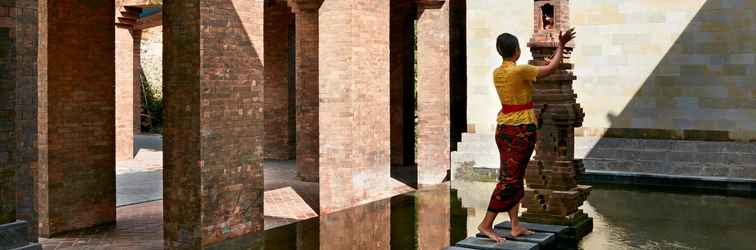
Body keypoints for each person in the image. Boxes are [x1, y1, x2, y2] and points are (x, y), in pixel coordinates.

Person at [477, 28, 576, 244]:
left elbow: (533, 74)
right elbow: (550, 68)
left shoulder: (498, 72)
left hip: (504, 129)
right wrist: (561, 46)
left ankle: (514, 226)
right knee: (509, 180)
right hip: (520, 130)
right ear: (516, 52)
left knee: (514, 176)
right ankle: (486, 224)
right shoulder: (519, 70)